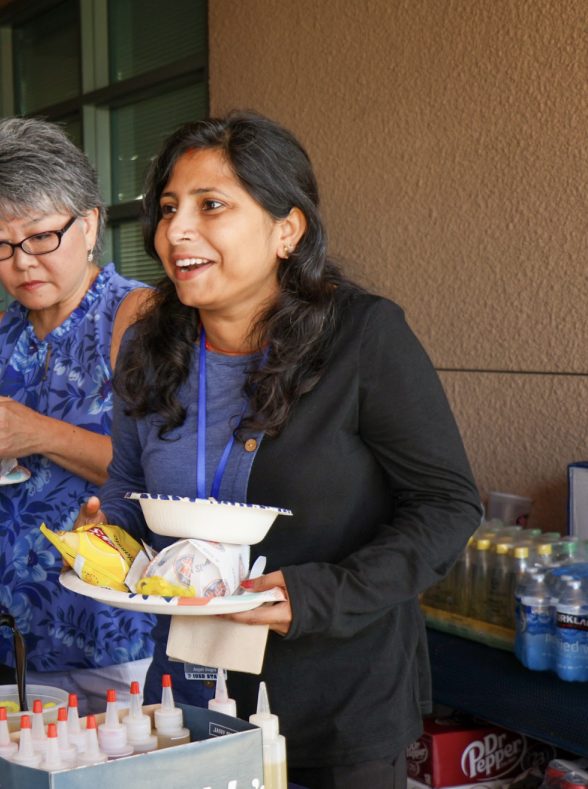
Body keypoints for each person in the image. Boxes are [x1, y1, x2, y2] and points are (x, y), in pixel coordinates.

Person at [75, 112, 480, 789]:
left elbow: (446, 506)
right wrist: (108, 537)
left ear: (286, 229)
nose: (176, 232)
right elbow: (126, 484)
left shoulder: (362, 338)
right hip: (189, 699)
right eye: (169, 209)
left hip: (336, 707)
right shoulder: (150, 348)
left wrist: (320, 593)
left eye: (211, 206)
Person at [0, 118, 156, 712]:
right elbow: (1, 474)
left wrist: (37, 432)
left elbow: (164, 476)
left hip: (113, 627)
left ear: (92, 221)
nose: (22, 262)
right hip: (15, 626)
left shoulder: (135, 317)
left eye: (42, 237)